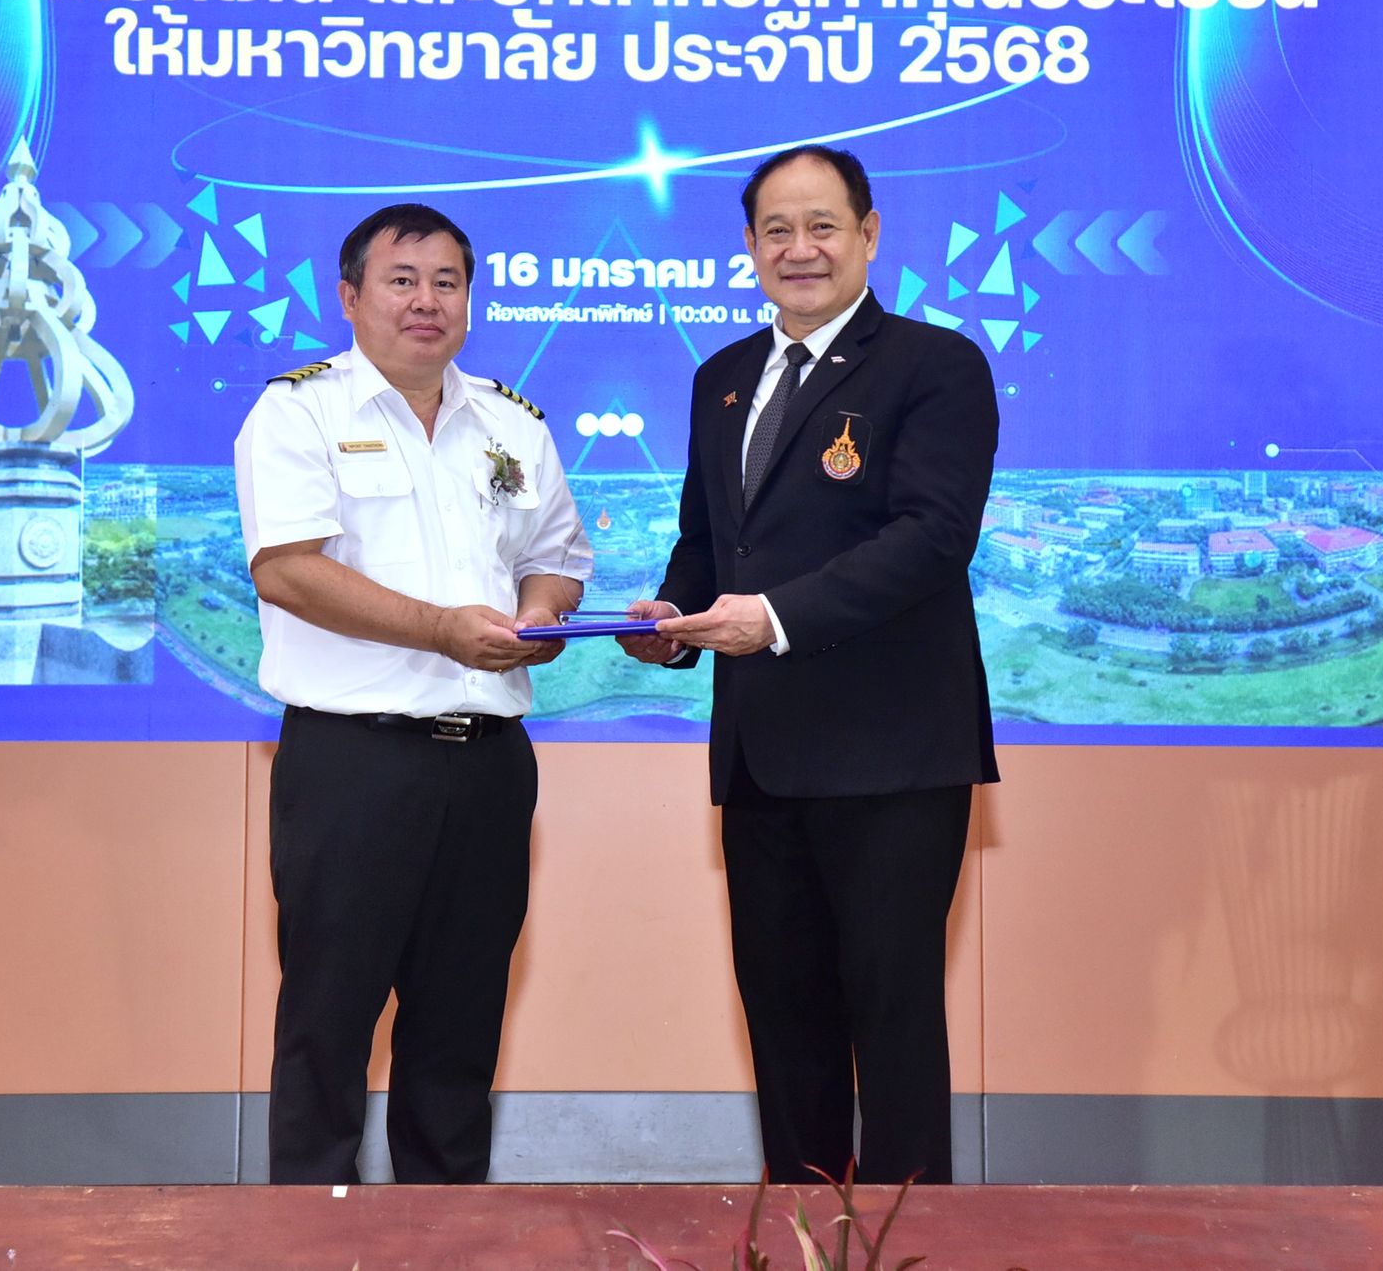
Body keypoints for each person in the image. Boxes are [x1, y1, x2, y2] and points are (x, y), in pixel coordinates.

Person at [619, 144, 999, 1184]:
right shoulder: (721, 379)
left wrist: (774, 620)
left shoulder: (935, 365)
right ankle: (798, 1235)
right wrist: (672, 615)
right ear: (749, 246)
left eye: (822, 226)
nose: (800, 249)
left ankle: (909, 1240)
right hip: (760, 757)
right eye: (777, 230)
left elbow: (932, 539)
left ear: (868, 235)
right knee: (783, 1022)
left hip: (892, 759)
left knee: (891, 1018)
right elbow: (711, 544)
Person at [234, 202, 591, 1185]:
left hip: (488, 767)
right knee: (328, 1024)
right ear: (350, 297)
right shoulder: (300, 412)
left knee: (461, 1028)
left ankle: (446, 1238)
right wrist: (441, 629)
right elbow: (287, 570)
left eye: (446, 282)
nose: (426, 301)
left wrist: (538, 613)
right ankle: (312, 1239)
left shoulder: (512, 422)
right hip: (353, 762)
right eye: (401, 281)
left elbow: (560, 559)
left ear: (469, 300)